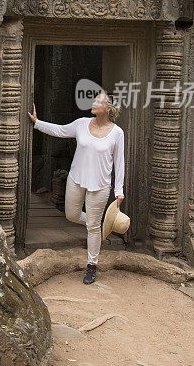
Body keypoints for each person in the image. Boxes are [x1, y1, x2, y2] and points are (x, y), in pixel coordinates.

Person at [27, 92, 125, 285]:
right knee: (71, 215)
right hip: (76, 178)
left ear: (108, 109)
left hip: (100, 185)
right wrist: (37, 123)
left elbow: (119, 163)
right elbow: (61, 131)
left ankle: (92, 265)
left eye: (99, 101)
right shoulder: (81, 124)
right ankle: (98, 225)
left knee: (93, 228)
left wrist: (119, 191)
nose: (94, 103)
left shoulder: (117, 133)